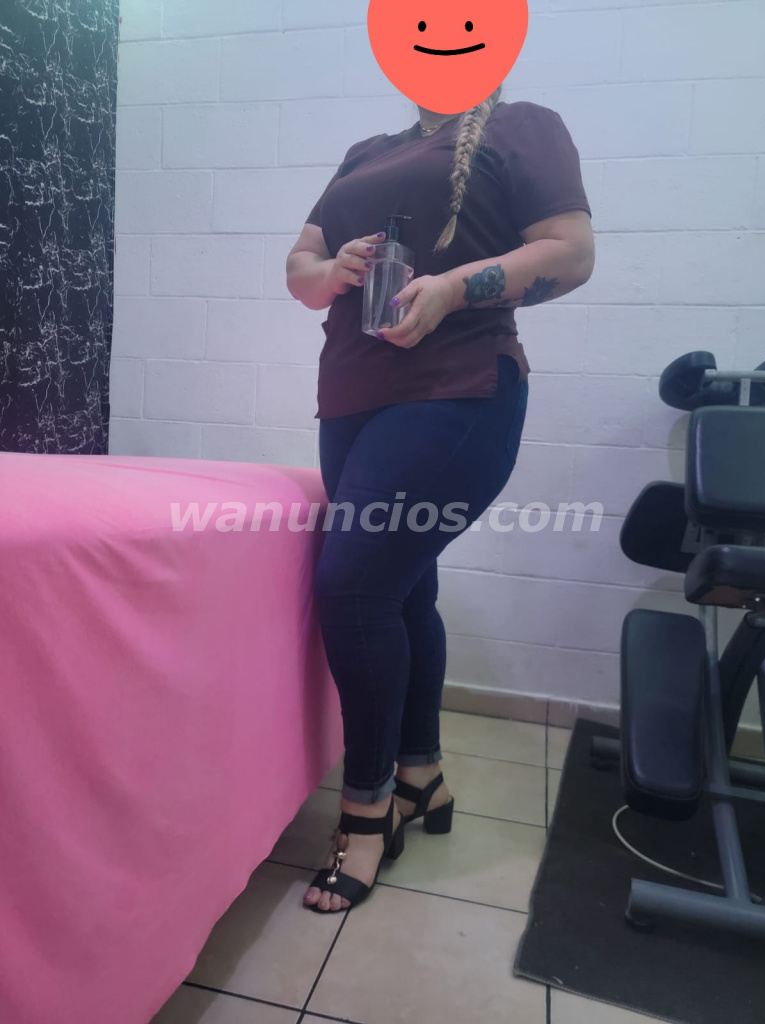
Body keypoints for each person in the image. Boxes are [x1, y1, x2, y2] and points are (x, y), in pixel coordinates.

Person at [285, 85, 594, 914]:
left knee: (353, 589)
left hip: (459, 389)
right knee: (403, 589)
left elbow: (571, 253)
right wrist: (331, 272)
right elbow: (300, 270)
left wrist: (455, 286)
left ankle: (368, 809)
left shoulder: (521, 125)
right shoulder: (366, 151)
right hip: (351, 398)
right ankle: (422, 776)